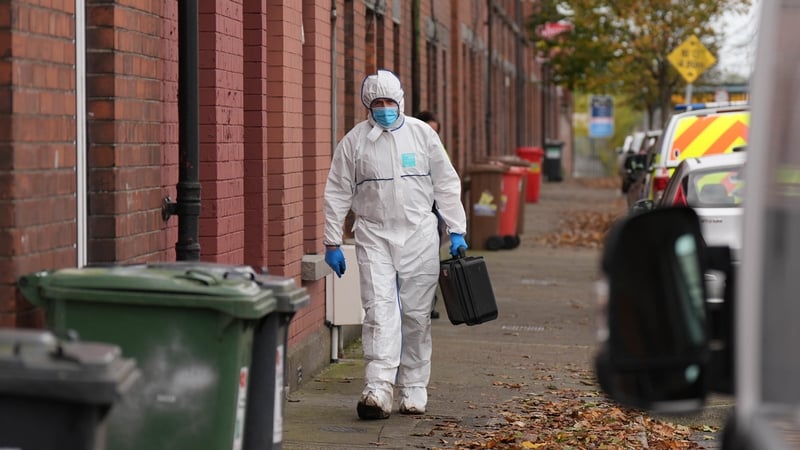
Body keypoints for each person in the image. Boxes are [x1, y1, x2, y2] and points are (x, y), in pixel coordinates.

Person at [323, 69, 468, 420]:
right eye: (377, 103)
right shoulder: (354, 143)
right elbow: (338, 191)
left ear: (400, 102)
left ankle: (414, 386)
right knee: (379, 311)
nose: (384, 109)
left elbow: (446, 182)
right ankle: (378, 387)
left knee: (417, 314)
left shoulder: (422, 136)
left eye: (389, 102)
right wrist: (331, 241)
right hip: (374, 234)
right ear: (367, 106)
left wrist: (457, 228)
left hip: (419, 233)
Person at [415, 110, 446, 319]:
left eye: (435, 132)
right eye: (428, 130)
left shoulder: (438, 151)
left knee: (430, 258)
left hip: (433, 212)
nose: (431, 135)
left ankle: (429, 304)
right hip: (416, 212)